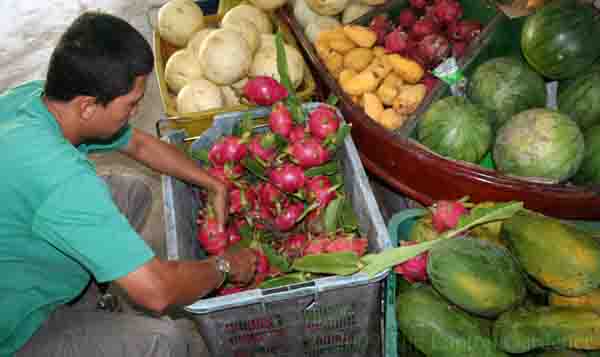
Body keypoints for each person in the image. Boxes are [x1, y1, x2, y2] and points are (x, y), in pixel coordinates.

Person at [0, 11, 257, 357]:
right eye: (132, 104)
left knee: (131, 193)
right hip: (14, 329)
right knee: (166, 342)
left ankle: (86, 304)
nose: (137, 112)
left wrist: (213, 184)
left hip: (18, 253)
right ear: (88, 106)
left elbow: (138, 144)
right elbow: (158, 292)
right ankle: (65, 321)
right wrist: (225, 266)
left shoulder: (35, 100)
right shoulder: (63, 180)